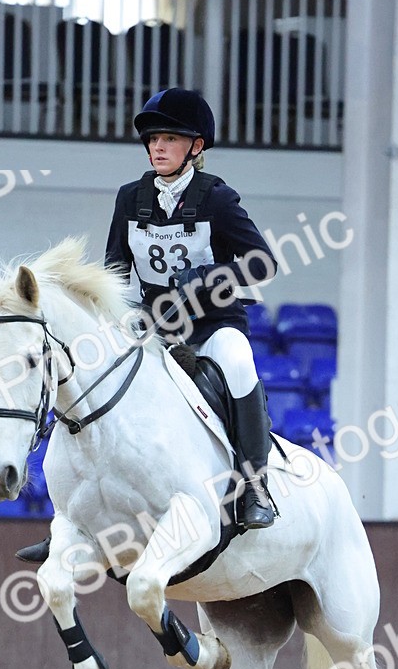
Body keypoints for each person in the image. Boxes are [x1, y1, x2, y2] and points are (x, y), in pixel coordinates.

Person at [105, 87, 279, 530]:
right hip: (154, 325)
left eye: (169, 139)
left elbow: (262, 264)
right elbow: (113, 272)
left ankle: (255, 487)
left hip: (213, 323)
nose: (157, 147)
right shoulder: (130, 198)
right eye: (152, 140)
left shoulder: (216, 198)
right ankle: (79, 509)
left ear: (195, 146)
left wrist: (207, 278)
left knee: (239, 364)